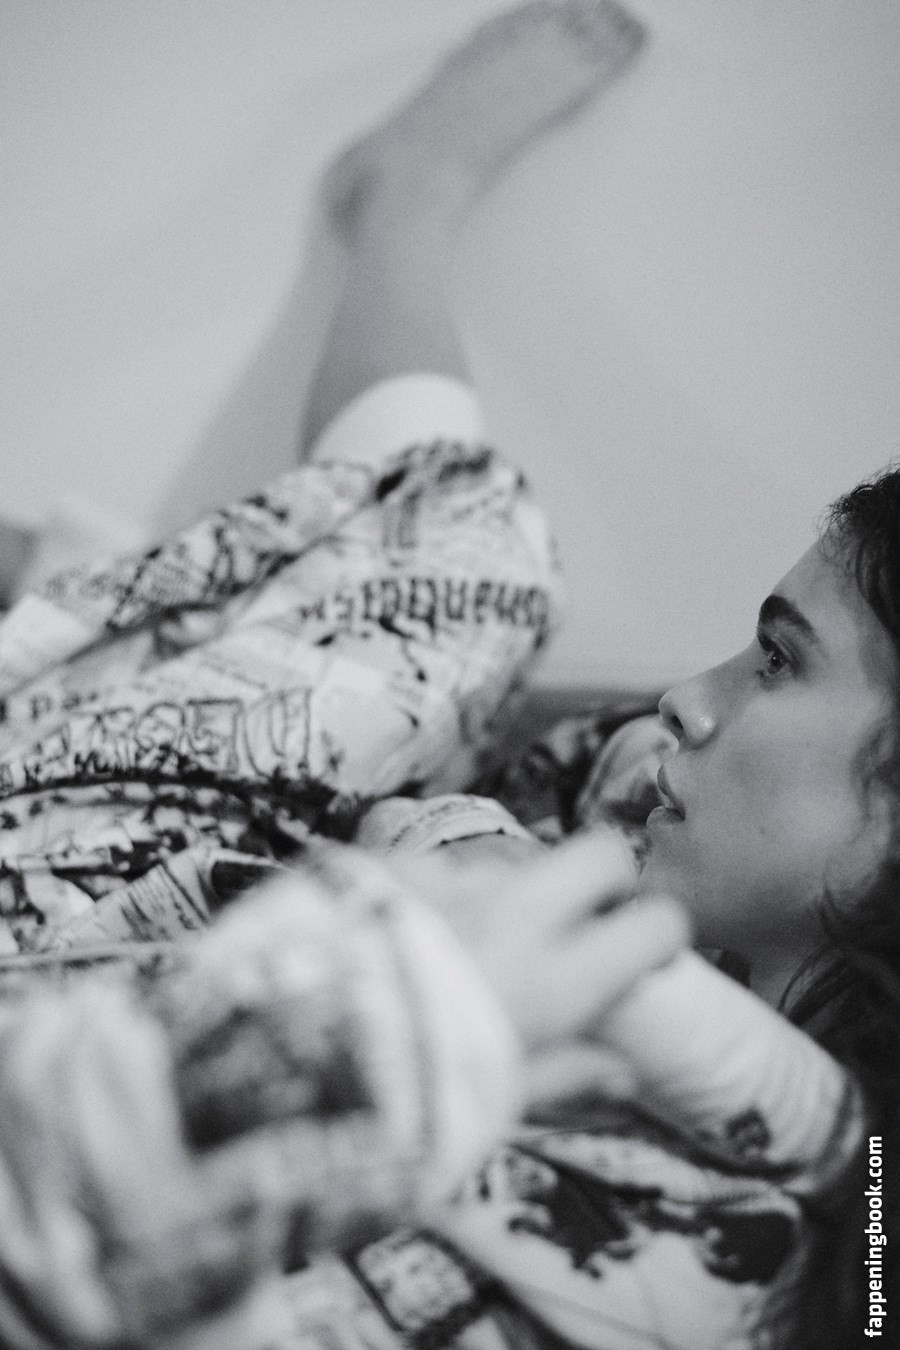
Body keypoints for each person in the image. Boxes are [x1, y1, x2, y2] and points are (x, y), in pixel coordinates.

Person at [0, 1, 893, 1347]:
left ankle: (401, 200)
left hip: (77, 1031)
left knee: (459, 578)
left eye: (778, 661)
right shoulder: (777, 1021)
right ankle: (404, 193)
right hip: (203, 929)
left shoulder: (743, 1274)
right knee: (465, 590)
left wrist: (396, 990)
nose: (691, 696)